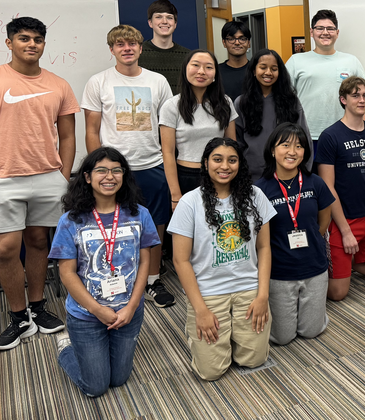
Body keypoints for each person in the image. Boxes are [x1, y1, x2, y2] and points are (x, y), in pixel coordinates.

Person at [0, 17, 78, 351]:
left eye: (38, 39)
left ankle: (39, 308)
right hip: (5, 180)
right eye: (24, 38)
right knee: (5, 249)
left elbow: (68, 136)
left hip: (48, 177)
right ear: (9, 42)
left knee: (40, 242)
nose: (31, 44)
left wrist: (62, 174)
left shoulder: (59, 84)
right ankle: (18, 318)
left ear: (44, 44)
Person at [48, 147, 157, 397]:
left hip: (128, 312)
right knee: (95, 387)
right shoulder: (71, 220)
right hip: (87, 315)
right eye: (101, 171)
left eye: (116, 170)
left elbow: (144, 263)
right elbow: (67, 274)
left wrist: (131, 307)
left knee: (118, 379)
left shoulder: (139, 214)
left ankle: (96, 353)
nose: (110, 176)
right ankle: (66, 348)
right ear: (87, 177)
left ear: (124, 175)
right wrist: (97, 310)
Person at [81, 24, 175, 309]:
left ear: (140, 48)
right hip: (115, 171)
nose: (127, 49)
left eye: (132, 44)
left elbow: (168, 125)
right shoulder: (98, 82)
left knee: (156, 225)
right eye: (120, 44)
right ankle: (117, 278)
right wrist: (100, 169)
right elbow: (91, 130)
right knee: (116, 226)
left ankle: (153, 280)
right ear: (112, 50)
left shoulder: (157, 81)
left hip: (153, 164)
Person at [169, 138, 276, 381]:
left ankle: (234, 335)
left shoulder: (255, 195)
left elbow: (264, 247)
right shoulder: (190, 201)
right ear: (205, 163)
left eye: (232, 160)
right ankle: (197, 331)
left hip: (248, 289)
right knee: (211, 372)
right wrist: (200, 310)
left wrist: (262, 295)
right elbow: (180, 261)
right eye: (217, 159)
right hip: (208, 293)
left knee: (254, 360)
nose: (224, 166)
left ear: (240, 164)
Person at [255, 123, 335, 345]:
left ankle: (311, 312)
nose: (292, 151)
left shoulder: (315, 183)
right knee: (282, 337)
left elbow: (324, 221)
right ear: (272, 149)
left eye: (299, 146)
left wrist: (311, 239)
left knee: (311, 331)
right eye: (285, 145)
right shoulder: (260, 189)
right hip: (279, 272)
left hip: (314, 267)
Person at [316, 76, 365, 302]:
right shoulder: (330, 136)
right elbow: (327, 187)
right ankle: (323, 267)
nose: (361, 100)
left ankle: (350, 263)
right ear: (343, 99)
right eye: (355, 95)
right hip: (342, 220)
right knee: (338, 294)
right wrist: (346, 231)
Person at [160, 50, 237, 209]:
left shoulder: (225, 103)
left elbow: (232, 146)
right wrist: (175, 195)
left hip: (220, 175)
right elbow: (167, 152)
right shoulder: (172, 106)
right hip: (186, 177)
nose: (201, 71)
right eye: (195, 65)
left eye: (208, 67)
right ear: (185, 69)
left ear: (215, 73)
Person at [285, 9, 365, 150]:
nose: (325, 32)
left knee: (342, 173)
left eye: (330, 28)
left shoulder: (351, 61)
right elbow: (283, 98)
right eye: (320, 28)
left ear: (337, 33)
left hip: (345, 135)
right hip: (305, 136)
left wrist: (363, 132)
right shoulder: (296, 61)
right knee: (308, 173)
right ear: (312, 32)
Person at [235, 48, 313, 181]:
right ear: (254, 70)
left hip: (287, 175)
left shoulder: (291, 101)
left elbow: (304, 139)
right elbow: (237, 144)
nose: (268, 72)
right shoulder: (241, 103)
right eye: (263, 67)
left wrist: (304, 172)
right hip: (252, 178)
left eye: (274, 69)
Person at [140, 0, 190, 94]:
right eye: (159, 17)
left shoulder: (188, 56)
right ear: (150, 23)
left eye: (169, 18)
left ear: (175, 24)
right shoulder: (138, 53)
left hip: (179, 108)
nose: (164, 21)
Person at [217, 20, 252, 101]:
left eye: (242, 39)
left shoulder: (256, 71)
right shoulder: (216, 72)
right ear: (224, 43)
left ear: (248, 43)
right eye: (231, 39)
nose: (237, 43)